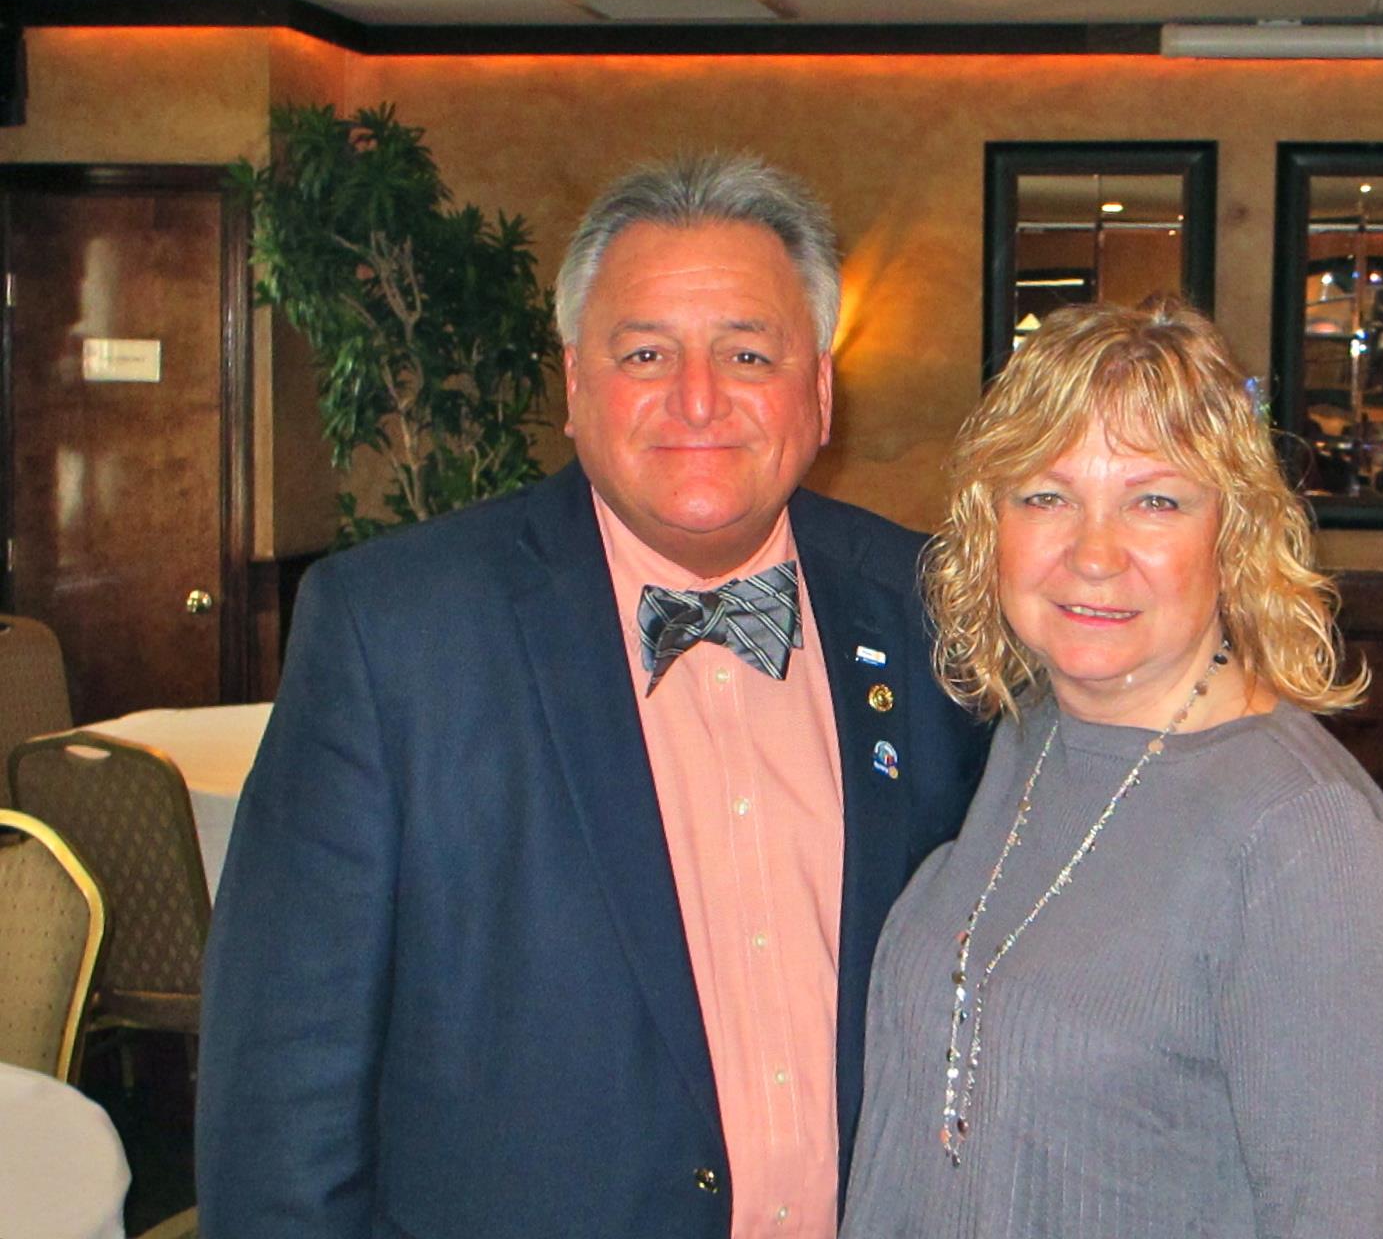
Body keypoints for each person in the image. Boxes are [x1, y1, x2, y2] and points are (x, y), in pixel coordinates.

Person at [197, 152, 990, 1239]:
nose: (697, 399)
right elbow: (282, 1084)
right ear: (574, 386)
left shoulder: (932, 609)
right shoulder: (397, 632)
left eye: (747, 353)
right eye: (646, 353)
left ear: (817, 392)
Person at [841, 302, 1383, 1238]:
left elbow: (1351, 1214)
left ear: (1232, 535)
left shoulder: (1305, 831)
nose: (1093, 553)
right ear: (989, 526)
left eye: (1154, 500)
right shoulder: (1029, 736)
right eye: (1045, 496)